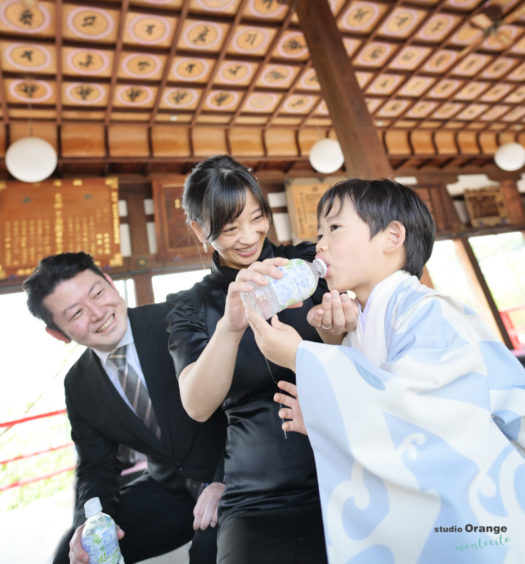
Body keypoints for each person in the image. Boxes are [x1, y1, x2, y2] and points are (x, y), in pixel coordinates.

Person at [247, 178, 525, 563]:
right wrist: (326, 412)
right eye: (319, 232)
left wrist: (302, 358)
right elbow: (383, 409)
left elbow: (425, 414)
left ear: (392, 236)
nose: (320, 244)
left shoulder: (429, 309)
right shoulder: (361, 324)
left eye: (334, 228)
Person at [165, 155, 355, 564]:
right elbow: (197, 407)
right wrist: (230, 328)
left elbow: (365, 352)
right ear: (200, 230)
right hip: (256, 496)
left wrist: (333, 334)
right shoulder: (190, 307)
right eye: (230, 227)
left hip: (345, 468)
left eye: (257, 217)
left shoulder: (311, 265)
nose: (249, 237)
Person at [24, 251, 227, 564]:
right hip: (170, 490)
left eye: (98, 293)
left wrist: (224, 479)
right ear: (57, 333)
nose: (97, 313)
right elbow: (96, 465)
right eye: (76, 313)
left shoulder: (177, 318)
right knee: (77, 554)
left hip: (233, 472)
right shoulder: (78, 384)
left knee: (208, 554)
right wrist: (89, 521)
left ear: (110, 282)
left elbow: (244, 406)